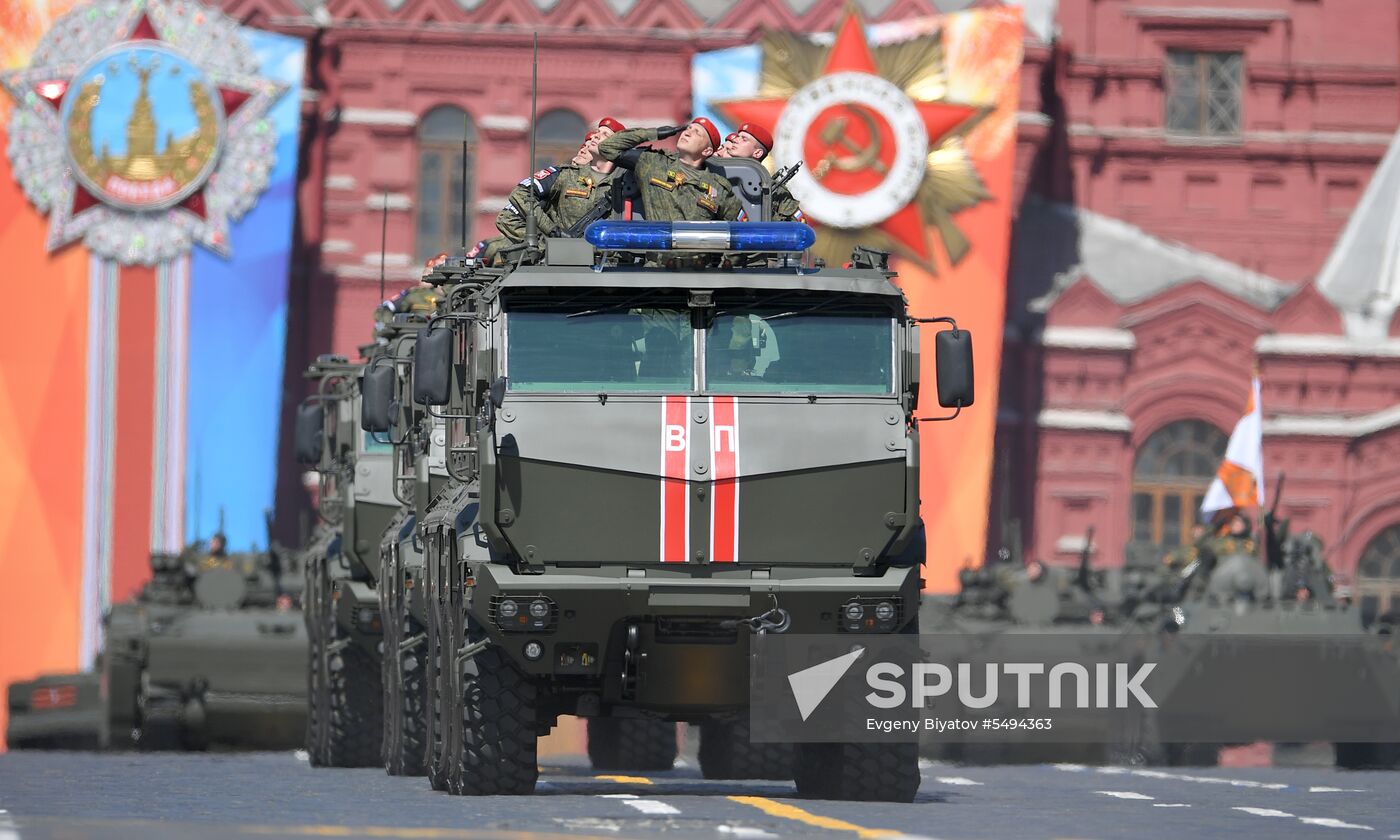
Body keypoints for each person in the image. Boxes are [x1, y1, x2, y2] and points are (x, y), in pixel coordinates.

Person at [497, 117, 626, 242]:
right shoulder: (566, 175)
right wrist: (552, 234)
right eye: (598, 131)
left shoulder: (626, 183)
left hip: (609, 261)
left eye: (605, 134)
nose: (596, 136)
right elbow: (521, 192)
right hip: (566, 259)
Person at [597, 119, 742, 222]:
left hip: (698, 263)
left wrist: (726, 264)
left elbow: (733, 231)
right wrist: (655, 133)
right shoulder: (653, 163)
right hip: (657, 262)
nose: (687, 132)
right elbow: (607, 148)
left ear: (707, 150)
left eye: (697, 132)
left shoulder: (718, 187)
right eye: (688, 129)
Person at [716, 122, 805, 223]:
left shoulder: (776, 191)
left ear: (757, 153)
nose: (736, 140)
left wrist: (766, 214)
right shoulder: (715, 175)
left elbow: (800, 226)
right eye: (738, 137)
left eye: (743, 139)